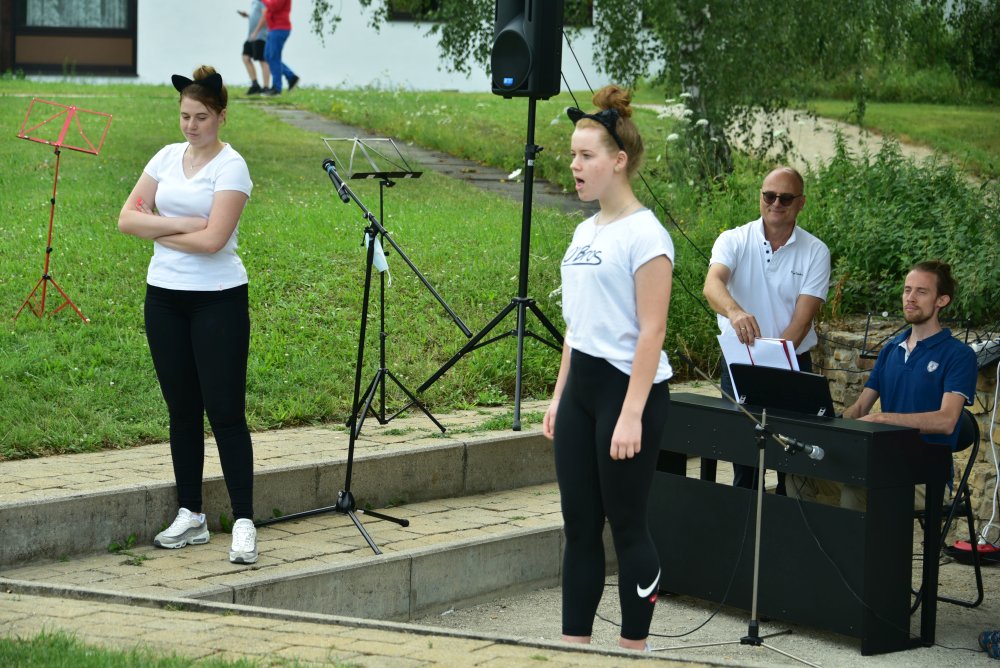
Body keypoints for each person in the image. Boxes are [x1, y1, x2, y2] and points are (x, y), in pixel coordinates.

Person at [543, 85, 675, 651]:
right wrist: (558, 395)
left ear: (618, 162)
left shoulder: (647, 234)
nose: (574, 166)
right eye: (572, 155)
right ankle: (575, 648)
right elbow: (579, 326)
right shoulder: (584, 231)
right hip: (582, 393)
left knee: (626, 525)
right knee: (578, 526)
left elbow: (653, 330)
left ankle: (633, 649)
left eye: (586, 156)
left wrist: (631, 416)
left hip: (630, 393)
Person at [118, 66, 258, 565]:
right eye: (184, 116)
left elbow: (213, 240)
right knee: (182, 412)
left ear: (221, 116)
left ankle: (243, 521)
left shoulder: (232, 167)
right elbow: (126, 218)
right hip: (164, 298)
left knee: (224, 412)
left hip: (217, 299)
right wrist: (176, 224)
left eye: (201, 116)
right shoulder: (165, 157)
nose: (191, 126)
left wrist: (154, 226)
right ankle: (191, 515)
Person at [793, 261, 978, 509]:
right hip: (879, 465)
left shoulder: (959, 355)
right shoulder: (891, 349)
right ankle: (817, 548)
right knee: (800, 476)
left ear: (941, 301)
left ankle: (853, 548)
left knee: (857, 491)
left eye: (921, 292)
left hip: (925, 477)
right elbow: (859, 410)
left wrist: (884, 419)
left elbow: (946, 421)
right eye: (907, 290)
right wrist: (821, 424)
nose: (910, 298)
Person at [702, 166, 831, 493]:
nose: (776, 203)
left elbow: (801, 323)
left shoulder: (816, 251)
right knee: (745, 454)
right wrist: (734, 312)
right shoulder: (733, 239)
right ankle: (745, 528)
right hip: (740, 364)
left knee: (794, 456)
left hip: (792, 362)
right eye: (768, 195)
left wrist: (772, 360)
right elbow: (712, 283)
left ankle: (787, 528)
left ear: (801, 203)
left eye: (785, 198)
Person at [252, 0, 299, 96]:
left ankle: (277, 88)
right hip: (273, 29)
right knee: (268, 56)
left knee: (274, 57)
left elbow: (273, 6)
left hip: (280, 28)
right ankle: (291, 77)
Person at [238, 1, 270, 95]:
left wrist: (256, 32)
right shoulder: (254, 2)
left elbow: (265, 16)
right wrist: (248, 16)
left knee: (262, 60)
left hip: (260, 35)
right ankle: (255, 85)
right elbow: (257, 16)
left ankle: (266, 88)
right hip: (252, 36)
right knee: (245, 57)